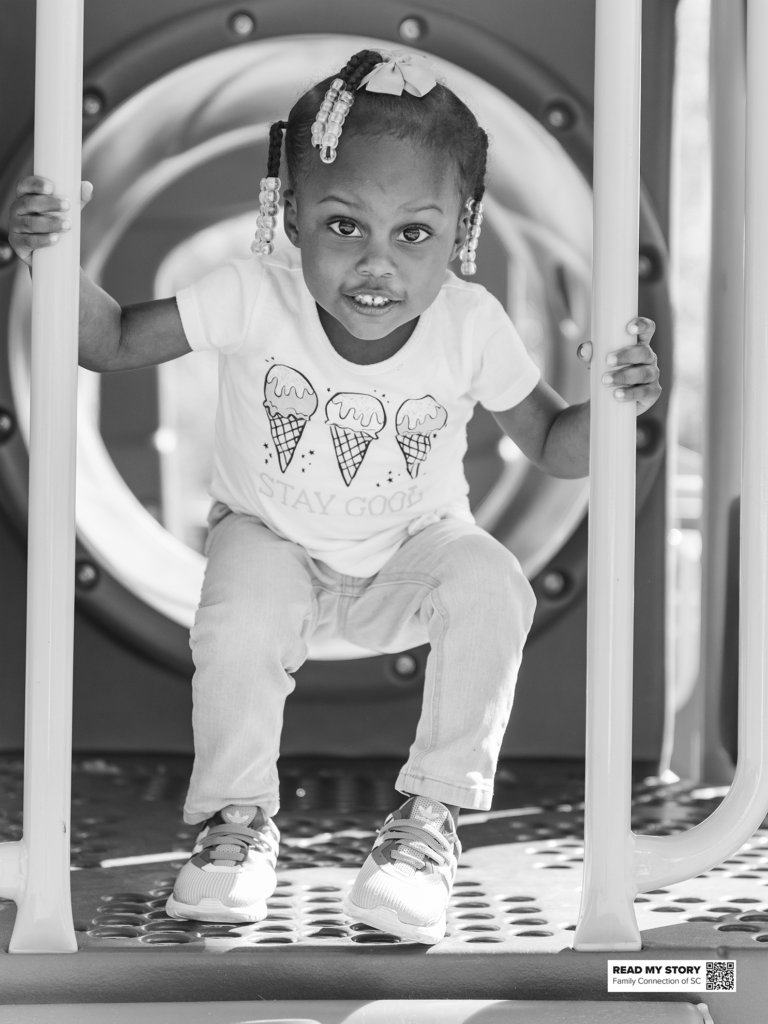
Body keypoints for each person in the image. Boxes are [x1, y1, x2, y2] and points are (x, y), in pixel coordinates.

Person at [8, 48, 661, 945]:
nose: (377, 267)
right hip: (273, 552)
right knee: (245, 597)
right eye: (344, 226)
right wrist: (55, 255)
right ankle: (236, 829)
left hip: (408, 564)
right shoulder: (250, 296)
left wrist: (616, 403)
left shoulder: (470, 324)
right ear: (288, 214)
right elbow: (111, 340)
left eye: (416, 234)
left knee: (493, 579)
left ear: (463, 233)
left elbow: (553, 444)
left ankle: (425, 830)